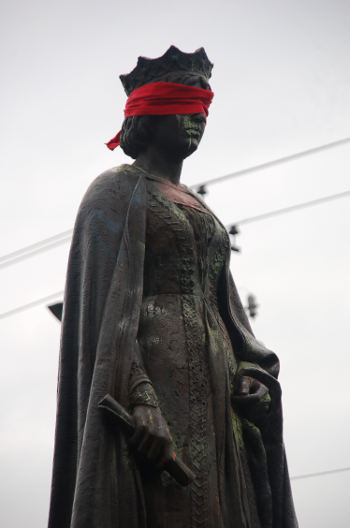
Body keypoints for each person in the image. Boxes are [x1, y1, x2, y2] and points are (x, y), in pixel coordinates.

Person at [48, 46, 298, 528]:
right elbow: (105, 314)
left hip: (221, 393)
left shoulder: (203, 210)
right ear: (148, 113)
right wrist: (140, 399)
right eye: (184, 103)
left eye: (204, 105)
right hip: (156, 383)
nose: (197, 116)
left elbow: (227, 311)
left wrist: (251, 370)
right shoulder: (116, 190)